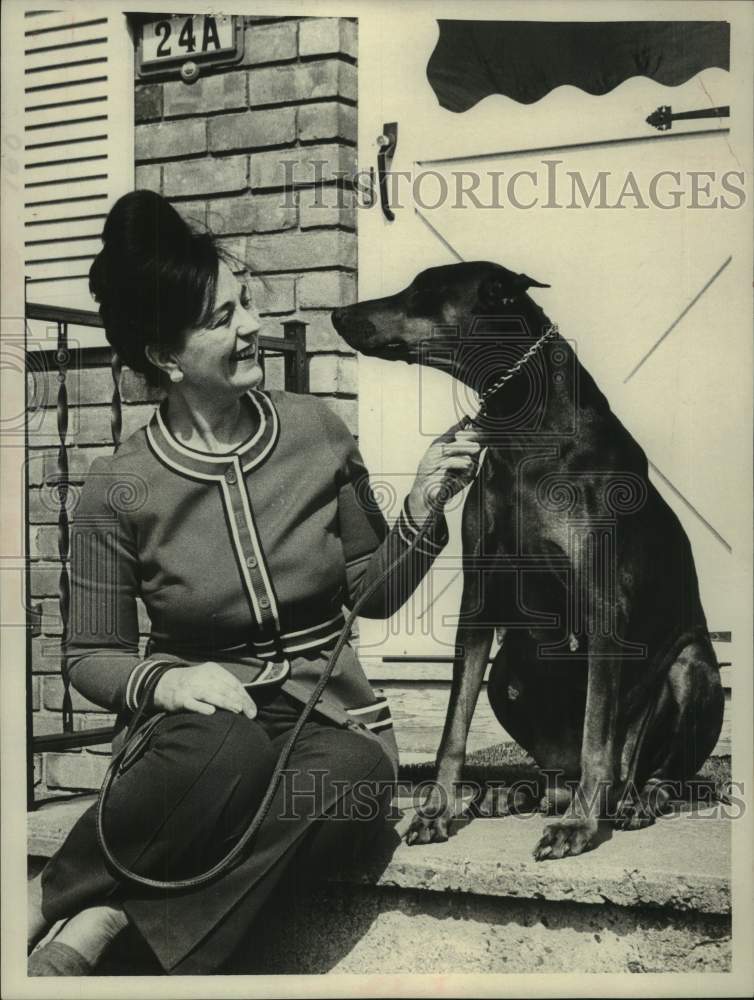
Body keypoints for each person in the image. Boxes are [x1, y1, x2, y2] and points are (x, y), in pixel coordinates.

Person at [27, 190, 482, 975]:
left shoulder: (317, 430)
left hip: (326, 720)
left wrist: (419, 511)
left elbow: (370, 594)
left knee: (353, 778)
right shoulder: (118, 487)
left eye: (247, 305)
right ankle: (48, 898)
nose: (251, 328)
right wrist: (167, 684)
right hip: (199, 738)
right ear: (168, 357)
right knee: (225, 749)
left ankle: (103, 919)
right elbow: (89, 657)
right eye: (221, 318)